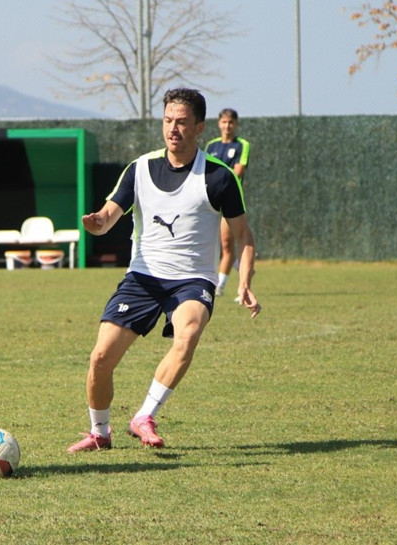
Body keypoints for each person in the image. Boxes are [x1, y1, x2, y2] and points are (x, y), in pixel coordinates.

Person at [67, 88, 261, 453]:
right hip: (142, 277)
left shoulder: (219, 177)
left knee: (187, 334)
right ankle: (99, 432)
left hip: (192, 279)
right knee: (100, 357)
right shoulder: (140, 168)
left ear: (200, 127)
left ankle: (144, 416)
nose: (173, 129)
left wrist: (245, 281)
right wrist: (95, 223)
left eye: (182, 122)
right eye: (168, 120)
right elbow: (108, 217)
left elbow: (243, 236)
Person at [205, 108, 251, 297]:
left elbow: (238, 172)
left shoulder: (242, 145)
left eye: (231, 122)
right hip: (209, 201)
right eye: (224, 122)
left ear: (236, 124)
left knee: (227, 244)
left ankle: (220, 287)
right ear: (219, 124)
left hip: (228, 203)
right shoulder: (211, 145)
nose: (227, 126)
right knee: (215, 245)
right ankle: (243, 268)